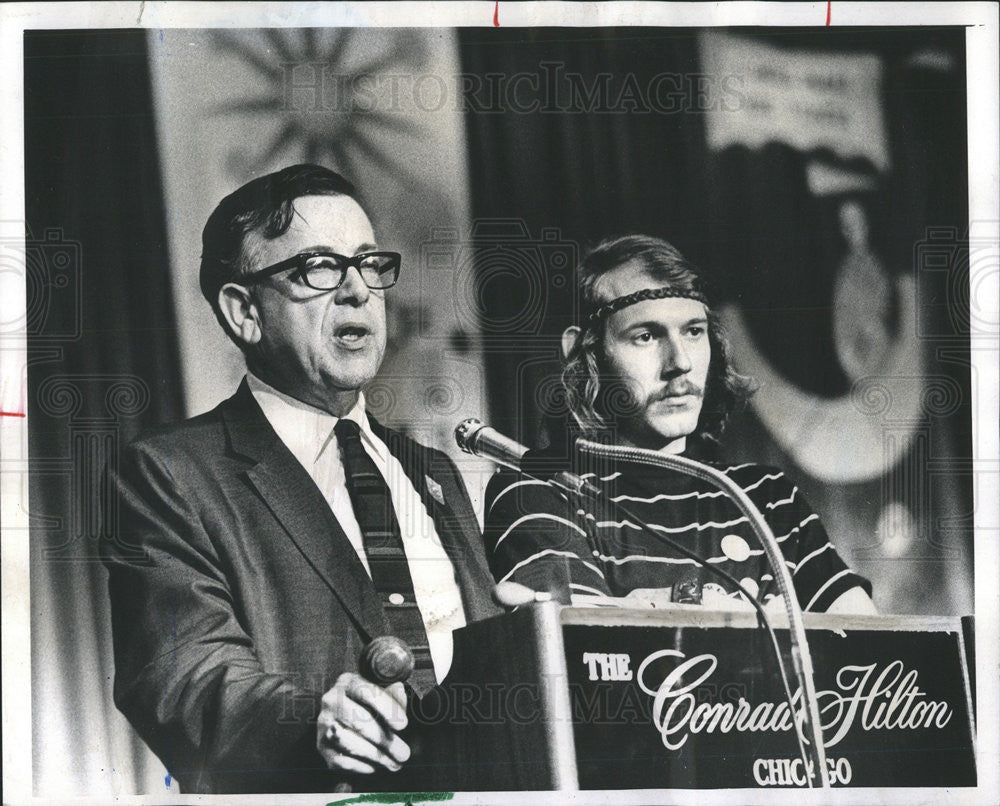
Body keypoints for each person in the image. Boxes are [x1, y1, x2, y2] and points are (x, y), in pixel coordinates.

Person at [101, 164, 499, 794]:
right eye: (319, 267)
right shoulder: (172, 474)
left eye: (369, 263)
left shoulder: (434, 472)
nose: (358, 291)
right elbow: (183, 675)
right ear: (244, 312)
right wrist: (309, 724)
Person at [484, 234, 876, 615]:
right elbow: (586, 645)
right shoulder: (537, 488)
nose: (680, 362)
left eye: (693, 331)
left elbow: (875, 649)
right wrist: (710, 603)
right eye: (645, 336)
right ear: (583, 353)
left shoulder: (768, 499)